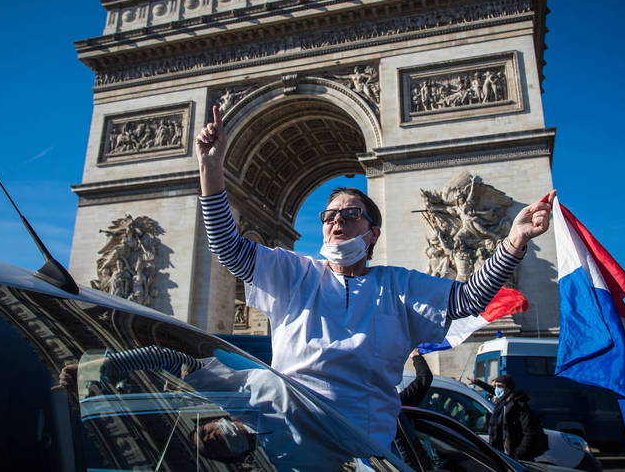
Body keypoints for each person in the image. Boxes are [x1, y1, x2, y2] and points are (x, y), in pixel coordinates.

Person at [196, 105, 554, 449]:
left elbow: (468, 299)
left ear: (374, 233)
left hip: (362, 450)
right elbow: (226, 246)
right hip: (289, 441)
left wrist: (513, 241)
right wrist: (211, 168)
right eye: (329, 215)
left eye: (351, 214)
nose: (337, 220)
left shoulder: (400, 285)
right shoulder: (294, 273)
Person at [468, 375, 546, 461]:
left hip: (515, 458)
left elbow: (530, 432)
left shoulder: (519, 405)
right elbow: (493, 391)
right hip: (502, 455)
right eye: (496, 386)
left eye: (500, 386)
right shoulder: (503, 401)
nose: (497, 389)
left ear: (508, 388)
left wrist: (518, 454)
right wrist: (478, 382)